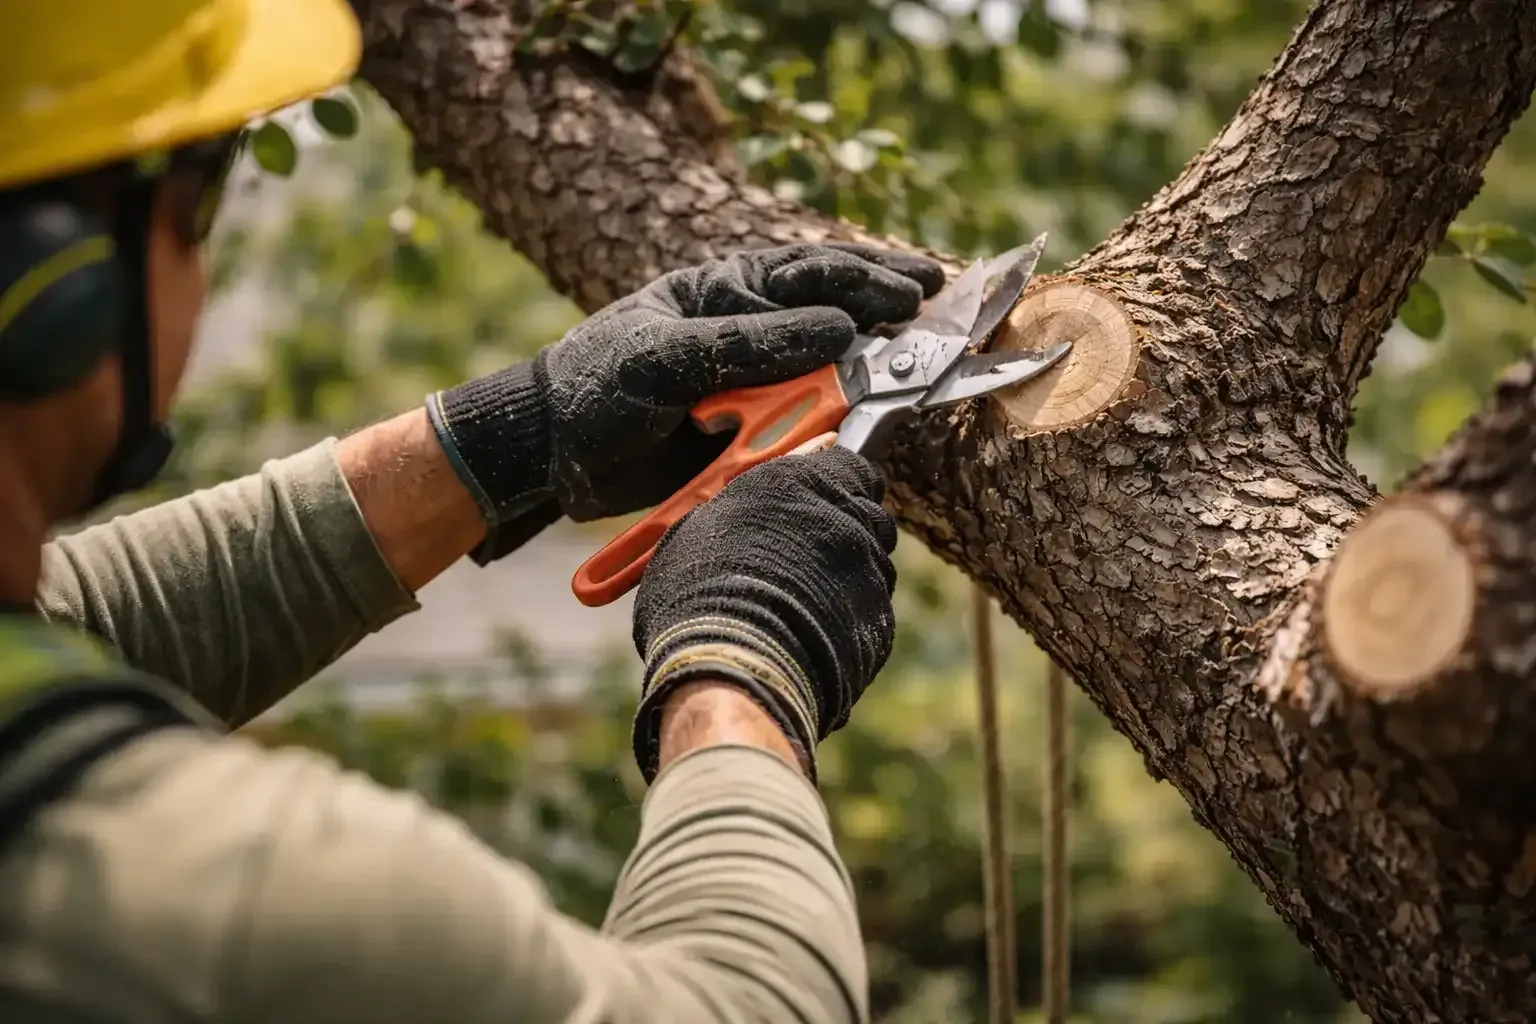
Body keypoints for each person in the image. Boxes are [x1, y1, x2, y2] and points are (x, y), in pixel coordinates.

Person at [0, 1, 948, 1021]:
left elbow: (88, 615)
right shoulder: (222, 894)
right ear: (57, 287)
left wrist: (510, 435)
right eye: (201, 194)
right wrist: (744, 656)